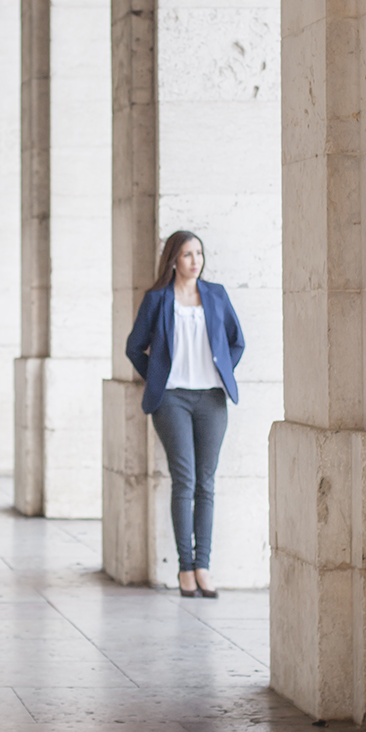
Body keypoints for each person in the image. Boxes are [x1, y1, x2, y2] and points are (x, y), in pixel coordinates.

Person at [125, 231, 246, 600]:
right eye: (187, 254)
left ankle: (203, 566)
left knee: (206, 482)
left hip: (211, 399)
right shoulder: (158, 300)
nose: (195, 261)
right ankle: (185, 568)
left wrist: (222, 371)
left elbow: (235, 341)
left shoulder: (217, 296)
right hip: (172, 400)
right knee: (186, 479)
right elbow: (134, 348)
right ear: (173, 260)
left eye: (199, 254)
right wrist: (159, 378)